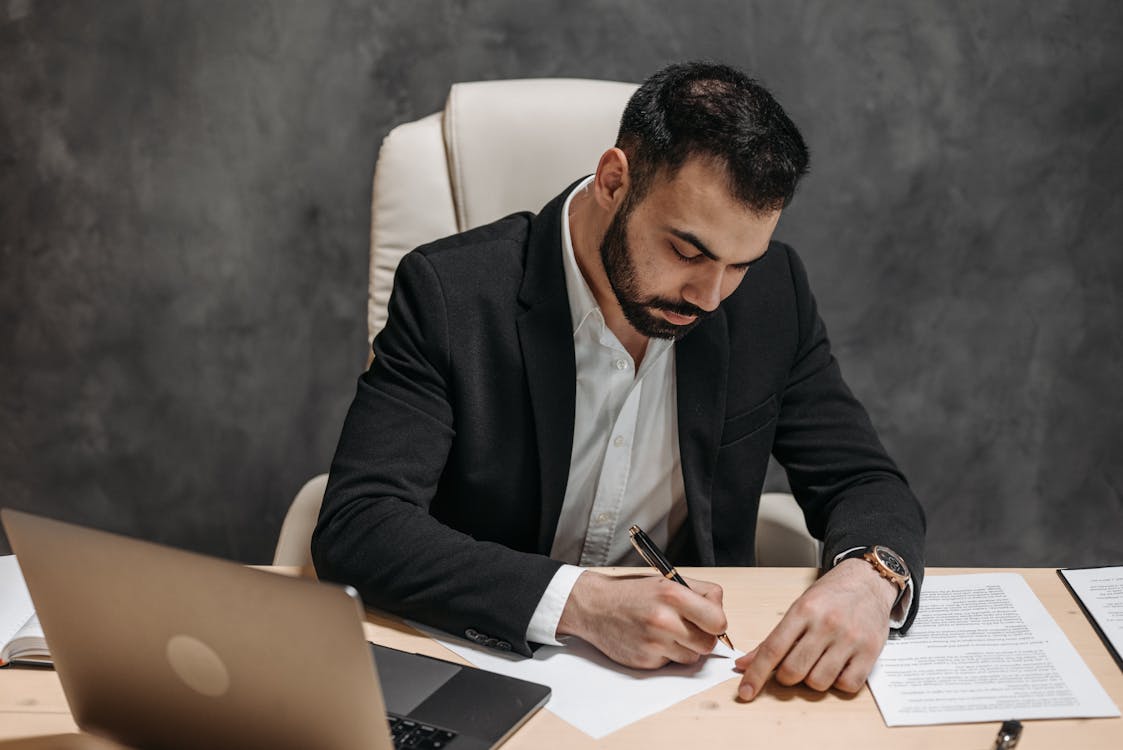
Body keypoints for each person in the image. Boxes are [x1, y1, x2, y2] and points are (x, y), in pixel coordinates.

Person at [313, 61, 926, 701]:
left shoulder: (773, 296)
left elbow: (862, 479)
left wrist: (869, 577)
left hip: (692, 689)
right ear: (613, 182)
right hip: (482, 668)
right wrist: (577, 603)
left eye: (738, 263)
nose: (711, 297)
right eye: (687, 252)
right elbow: (359, 523)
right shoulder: (452, 294)